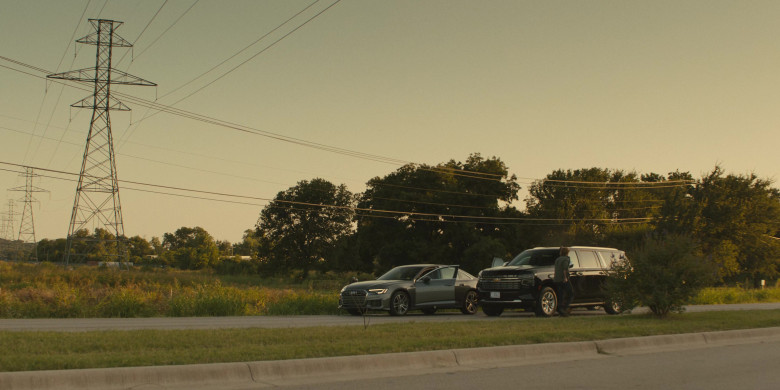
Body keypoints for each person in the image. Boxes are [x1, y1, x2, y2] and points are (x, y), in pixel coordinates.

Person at [553, 246, 573, 317]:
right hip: (563, 279)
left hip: (556, 279)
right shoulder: (566, 259)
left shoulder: (557, 259)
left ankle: (560, 309)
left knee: (560, 294)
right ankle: (564, 308)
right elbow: (565, 268)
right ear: (567, 252)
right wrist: (565, 278)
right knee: (570, 293)